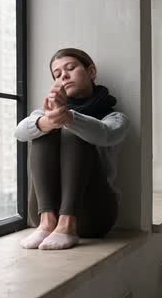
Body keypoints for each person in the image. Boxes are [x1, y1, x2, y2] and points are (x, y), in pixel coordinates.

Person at [14, 48, 129, 250]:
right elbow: (20, 132)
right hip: (45, 210)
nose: (64, 76)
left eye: (70, 68)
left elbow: (105, 134)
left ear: (91, 72)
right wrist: (47, 122)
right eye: (57, 74)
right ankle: (47, 222)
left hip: (93, 215)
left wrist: (70, 118)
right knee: (45, 128)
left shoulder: (114, 117)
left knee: (73, 130)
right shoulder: (46, 113)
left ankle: (68, 224)